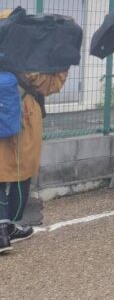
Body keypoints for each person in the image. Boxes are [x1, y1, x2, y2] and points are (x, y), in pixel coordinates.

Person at [0, 70, 68, 252]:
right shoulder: (28, 55)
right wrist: (63, 67)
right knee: (21, 170)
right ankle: (7, 229)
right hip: (21, 112)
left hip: (7, 105)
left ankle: (2, 230)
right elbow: (48, 85)